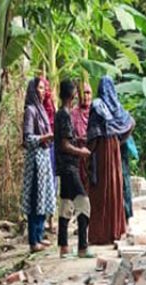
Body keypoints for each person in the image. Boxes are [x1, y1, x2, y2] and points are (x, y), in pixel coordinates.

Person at [85, 76, 134, 245]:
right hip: (114, 151)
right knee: (114, 189)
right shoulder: (117, 106)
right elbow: (129, 123)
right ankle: (115, 230)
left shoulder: (97, 105)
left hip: (100, 151)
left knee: (100, 190)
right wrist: (118, 141)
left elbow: (93, 134)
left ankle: (100, 234)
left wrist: (87, 152)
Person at [54, 78, 93, 258]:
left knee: (66, 203)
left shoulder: (61, 114)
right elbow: (64, 145)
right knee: (83, 203)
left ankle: (63, 246)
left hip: (66, 165)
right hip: (69, 165)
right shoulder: (64, 115)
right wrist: (81, 152)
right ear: (72, 95)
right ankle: (83, 246)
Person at [20, 77, 55, 253]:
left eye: (44, 88)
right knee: (35, 200)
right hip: (35, 161)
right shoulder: (31, 110)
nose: (43, 91)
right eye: (40, 88)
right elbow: (27, 138)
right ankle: (33, 241)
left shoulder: (41, 109)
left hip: (44, 158)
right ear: (33, 90)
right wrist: (44, 137)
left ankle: (40, 235)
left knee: (43, 198)